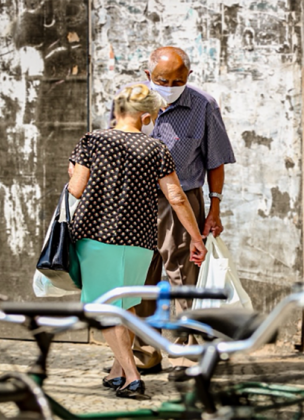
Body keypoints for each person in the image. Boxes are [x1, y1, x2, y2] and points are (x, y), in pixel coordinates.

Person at [68, 84, 207, 398]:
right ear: (145, 116)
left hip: (97, 237)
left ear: (117, 111)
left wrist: (73, 171)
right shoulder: (156, 148)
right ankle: (118, 371)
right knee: (126, 305)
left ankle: (132, 376)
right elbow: (177, 197)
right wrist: (196, 238)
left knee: (106, 307)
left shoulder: (92, 141)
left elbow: (75, 190)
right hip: (141, 241)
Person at [128, 46, 236, 376]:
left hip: (184, 199)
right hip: (137, 200)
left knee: (184, 277)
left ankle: (190, 355)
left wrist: (214, 207)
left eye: (178, 79)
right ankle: (144, 354)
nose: (171, 85)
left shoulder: (203, 104)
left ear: (189, 76)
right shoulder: (131, 100)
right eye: (163, 80)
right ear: (148, 76)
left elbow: (216, 160)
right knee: (138, 276)